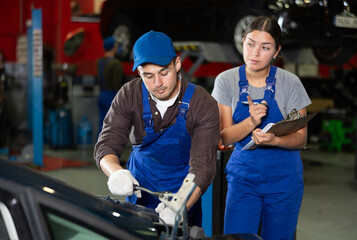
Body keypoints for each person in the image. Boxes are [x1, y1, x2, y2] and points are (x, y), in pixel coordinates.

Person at [94, 30, 220, 227]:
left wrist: (180, 205)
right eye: (149, 76)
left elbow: (203, 165)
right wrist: (116, 172)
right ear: (139, 73)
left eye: (164, 73)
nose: (158, 83)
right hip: (140, 189)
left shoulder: (202, 103)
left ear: (177, 64)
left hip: (184, 191)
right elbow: (107, 143)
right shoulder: (129, 94)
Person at [211, 16, 311, 239]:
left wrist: (276, 140)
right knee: (237, 236)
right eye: (250, 44)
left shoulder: (290, 83)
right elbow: (225, 137)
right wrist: (251, 122)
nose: (255, 53)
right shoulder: (225, 81)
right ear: (242, 41)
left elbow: (301, 138)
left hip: (284, 180)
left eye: (265, 47)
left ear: (276, 51)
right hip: (243, 179)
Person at [97, 36, 124, 134]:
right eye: (116, 46)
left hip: (101, 94)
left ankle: (100, 147)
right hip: (112, 96)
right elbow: (117, 83)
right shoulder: (116, 63)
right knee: (113, 126)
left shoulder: (99, 62)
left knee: (102, 124)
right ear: (113, 47)